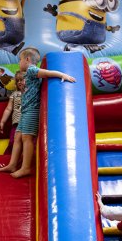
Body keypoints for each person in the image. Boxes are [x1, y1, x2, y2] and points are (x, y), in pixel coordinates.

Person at [9, 47, 76, 179]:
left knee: (27, 138)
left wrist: (62, 75)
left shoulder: (31, 70)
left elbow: (47, 73)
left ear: (27, 59)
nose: (19, 63)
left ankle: (25, 168)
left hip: (32, 110)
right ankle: (12, 164)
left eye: (20, 60)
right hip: (25, 110)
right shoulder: (29, 72)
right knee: (17, 136)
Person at [0, 70, 25, 165]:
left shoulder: (31, 93)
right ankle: (8, 160)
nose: (19, 82)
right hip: (17, 123)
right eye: (17, 80)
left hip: (28, 123)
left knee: (27, 143)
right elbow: (8, 109)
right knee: (13, 142)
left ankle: (23, 161)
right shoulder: (14, 94)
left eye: (22, 80)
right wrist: (2, 121)